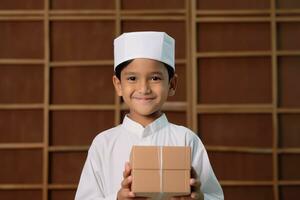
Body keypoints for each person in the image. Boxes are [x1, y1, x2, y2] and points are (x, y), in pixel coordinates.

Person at [75, 31, 224, 200]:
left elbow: (216, 196)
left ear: (172, 84)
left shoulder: (186, 139)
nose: (144, 88)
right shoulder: (103, 143)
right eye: (132, 78)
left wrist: (200, 197)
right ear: (118, 85)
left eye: (155, 78)